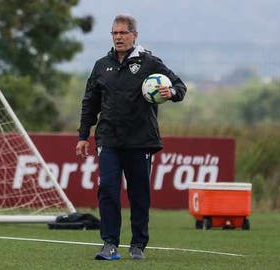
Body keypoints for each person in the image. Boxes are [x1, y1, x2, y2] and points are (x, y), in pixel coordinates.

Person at [75, 14, 186, 260]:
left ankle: (138, 244)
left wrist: (172, 92)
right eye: (114, 33)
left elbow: (180, 86)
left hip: (140, 141)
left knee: (139, 194)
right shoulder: (101, 65)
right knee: (108, 191)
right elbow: (89, 103)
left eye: (123, 33)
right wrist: (84, 135)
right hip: (108, 140)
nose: (118, 37)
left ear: (134, 35)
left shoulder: (150, 63)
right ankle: (109, 244)